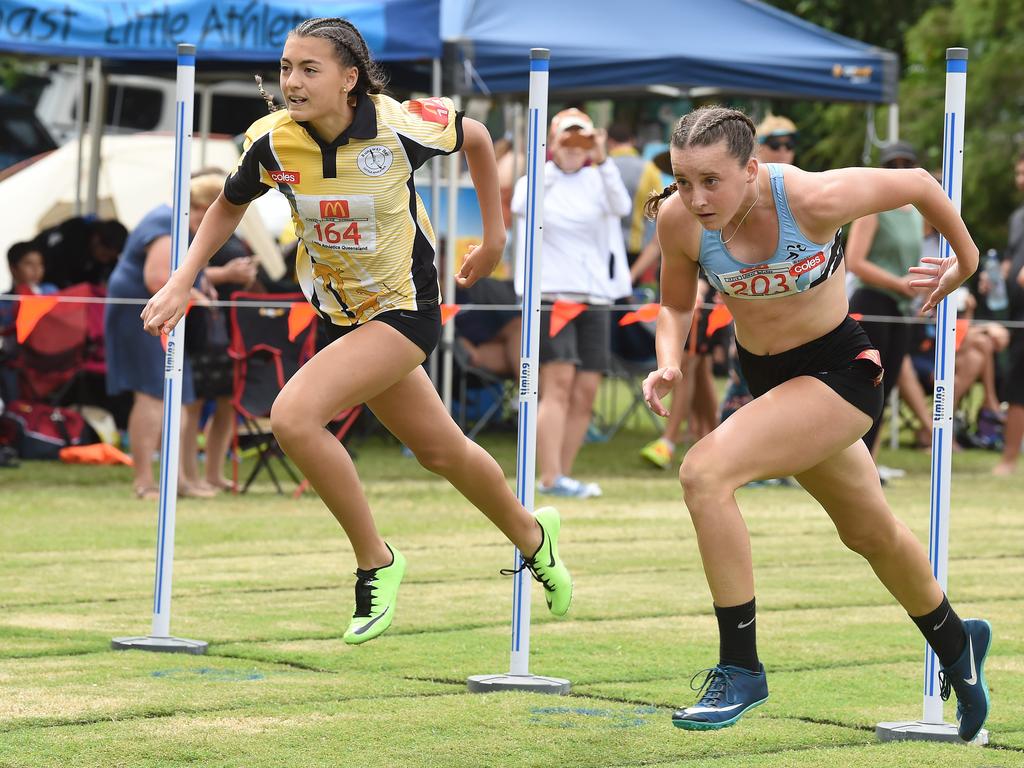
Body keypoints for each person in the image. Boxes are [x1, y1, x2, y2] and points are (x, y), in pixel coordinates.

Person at [140, 17, 572, 644]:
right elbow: (230, 203)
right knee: (442, 451)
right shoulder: (272, 141)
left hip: (405, 309)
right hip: (340, 315)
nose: (292, 80)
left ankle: (377, 560)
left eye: (309, 69)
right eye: (287, 68)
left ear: (350, 79)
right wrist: (182, 279)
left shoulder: (399, 125)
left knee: (291, 417)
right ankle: (535, 537)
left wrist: (497, 235)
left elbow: (477, 137)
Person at [642, 105, 990, 739]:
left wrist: (963, 264)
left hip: (841, 372)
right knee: (869, 532)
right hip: (771, 380)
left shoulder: (811, 196)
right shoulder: (679, 220)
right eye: (683, 179)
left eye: (711, 181)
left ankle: (740, 667)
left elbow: (917, 183)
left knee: (704, 472)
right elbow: (672, 304)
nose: (695, 197)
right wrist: (668, 362)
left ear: (751, 170)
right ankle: (957, 642)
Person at [512, 108, 631, 498]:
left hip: (595, 294)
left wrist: (601, 155)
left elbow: (622, 207)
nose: (575, 147)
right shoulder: (538, 180)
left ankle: (562, 473)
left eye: (582, 138)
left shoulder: (600, 177)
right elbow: (521, 205)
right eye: (568, 138)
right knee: (557, 385)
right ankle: (549, 476)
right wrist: (551, 157)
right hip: (551, 296)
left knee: (586, 390)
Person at [105, 176, 224, 501]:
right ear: (200, 207)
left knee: (180, 396)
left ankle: (180, 480)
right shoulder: (167, 221)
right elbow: (156, 277)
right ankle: (145, 482)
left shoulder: (178, 220)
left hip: (166, 318)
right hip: (143, 316)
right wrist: (197, 295)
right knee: (153, 395)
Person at [846, 141, 925, 464]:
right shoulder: (873, 208)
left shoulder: (918, 213)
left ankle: (868, 463)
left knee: (886, 389)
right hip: (872, 304)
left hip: (900, 307)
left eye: (907, 165)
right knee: (867, 388)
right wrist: (899, 283)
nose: (900, 172)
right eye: (893, 165)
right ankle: (853, 463)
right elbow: (855, 261)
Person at [993, 150, 1024, 475]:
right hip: (1015, 315)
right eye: (1018, 173)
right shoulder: (1018, 217)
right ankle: (1009, 459)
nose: (1020, 180)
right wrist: (997, 278)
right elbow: (1011, 260)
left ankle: (1009, 460)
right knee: (1015, 387)